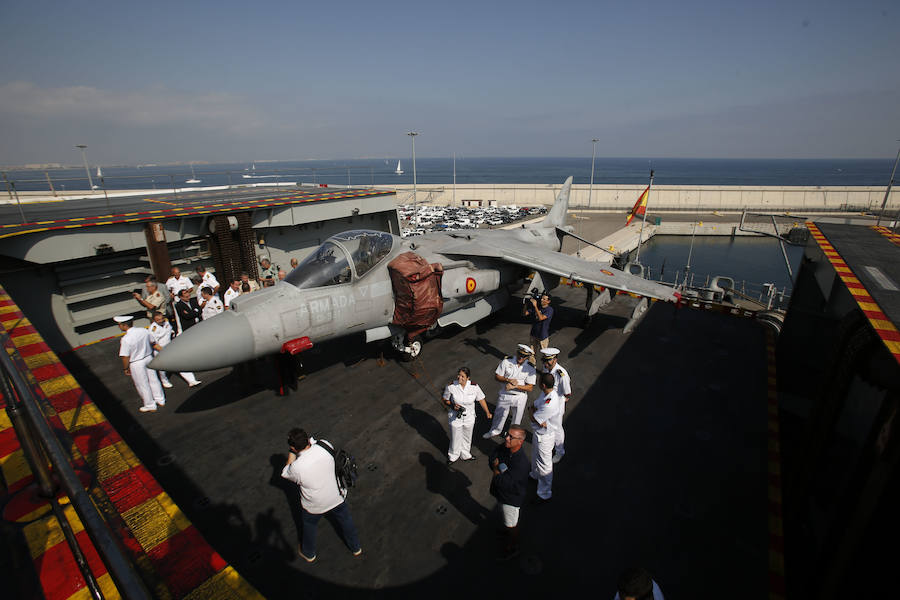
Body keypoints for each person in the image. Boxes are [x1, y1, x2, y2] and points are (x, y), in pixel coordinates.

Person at [281, 428, 362, 563]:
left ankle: (309, 553)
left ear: (293, 447)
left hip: (315, 505)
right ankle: (356, 547)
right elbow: (316, 443)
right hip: (337, 494)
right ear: (307, 440)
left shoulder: (296, 467)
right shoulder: (324, 444)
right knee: (346, 520)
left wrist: (291, 453)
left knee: (309, 524)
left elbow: (285, 472)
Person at [488, 425, 530, 560]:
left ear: (520, 441)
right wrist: (498, 470)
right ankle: (507, 532)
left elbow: (504, 482)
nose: (506, 438)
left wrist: (496, 469)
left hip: (511, 500)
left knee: (512, 525)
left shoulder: (522, 464)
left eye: (511, 437)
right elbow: (493, 456)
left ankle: (513, 546)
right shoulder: (505, 448)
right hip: (502, 495)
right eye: (507, 434)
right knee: (505, 519)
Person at [483, 344, 536, 439]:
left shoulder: (530, 368)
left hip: (520, 396)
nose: (521, 357)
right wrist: (508, 380)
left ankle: (512, 435)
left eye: (524, 356)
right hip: (505, 394)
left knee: (517, 418)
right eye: (520, 354)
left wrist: (516, 386)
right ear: (517, 352)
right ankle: (494, 431)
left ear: (527, 357)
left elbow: (530, 387)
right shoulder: (507, 361)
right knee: (499, 415)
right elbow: (497, 376)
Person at [115, 315, 165, 413]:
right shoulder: (144, 331)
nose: (119, 326)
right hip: (148, 358)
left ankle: (150, 405)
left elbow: (125, 356)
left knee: (142, 384)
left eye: (119, 324)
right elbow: (153, 343)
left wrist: (126, 368)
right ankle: (160, 399)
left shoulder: (126, 339)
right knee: (154, 379)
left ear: (124, 325)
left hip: (136, 363)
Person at [442, 367, 491, 465]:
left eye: (462, 376)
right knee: (455, 436)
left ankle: (465, 454)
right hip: (455, 417)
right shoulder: (451, 386)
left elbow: (481, 399)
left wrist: (487, 412)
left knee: (467, 436)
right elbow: (445, 399)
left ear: (468, 378)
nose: (459, 377)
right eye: (459, 375)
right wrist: (452, 405)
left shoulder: (474, 387)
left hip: (469, 416)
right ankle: (453, 456)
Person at [529, 372, 561, 502]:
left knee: (545, 465)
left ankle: (544, 493)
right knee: (535, 457)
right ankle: (534, 475)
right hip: (539, 433)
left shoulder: (550, 402)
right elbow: (535, 405)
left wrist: (531, 411)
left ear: (542, 385)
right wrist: (532, 410)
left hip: (546, 436)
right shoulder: (546, 394)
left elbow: (533, 417)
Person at [148, 311, 201, 388]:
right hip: (160, 350)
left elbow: (171, 332)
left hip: (170, 347)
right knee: (162, 368)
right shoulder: (153, 329)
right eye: (158, 320)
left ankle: (191, 380)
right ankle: (164, 381)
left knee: (180, 363)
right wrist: (163, 350)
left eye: (162, 318)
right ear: (154, 320)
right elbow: (153, 344)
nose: (161, 321)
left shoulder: (166, 323)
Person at [540, 347, 572, 464]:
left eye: (549, 360)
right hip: (545, 400)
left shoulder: (561, 374)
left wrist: (560, 401)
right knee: (545, 424)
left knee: (557, 428)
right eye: (545, 360)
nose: (546, 363)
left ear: (555, 359)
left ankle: (559, 451)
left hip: (556, 405)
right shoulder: (546, 368)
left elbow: (567, 392)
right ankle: (548, 444)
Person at [523, 292, 553, 360]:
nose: (542, 300)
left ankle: (546, 369)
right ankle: (531, 367)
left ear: (548, 301)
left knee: (546, 355)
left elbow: (541, 318)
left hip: (543, 336)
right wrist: (526, 305)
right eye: (542, 298)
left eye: (544, 299)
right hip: (534, 334)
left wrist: (535, 306)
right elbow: (525, 314)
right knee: (531, 354)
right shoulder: (538, 307)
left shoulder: (549, 310)